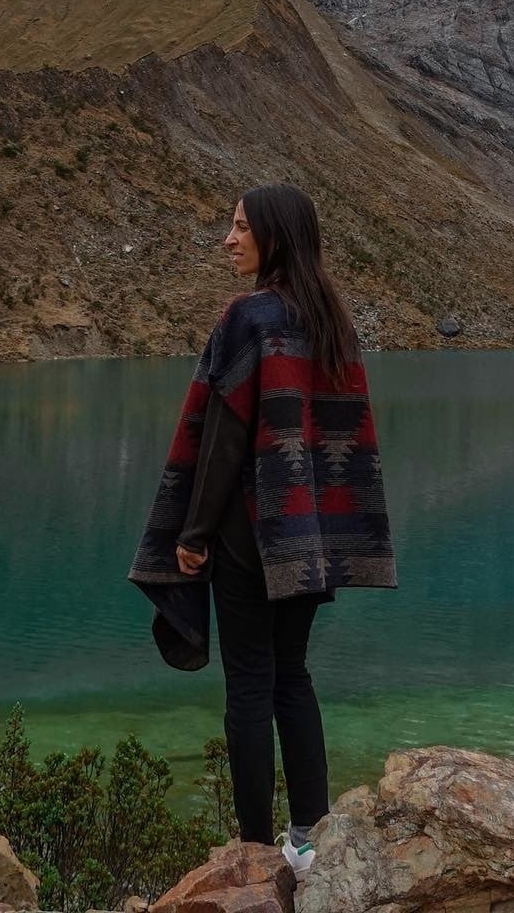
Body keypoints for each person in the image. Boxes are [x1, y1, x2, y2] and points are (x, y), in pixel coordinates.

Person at [127, 182, 397, 879]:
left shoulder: (250, 319)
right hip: (309, 537)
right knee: (292, 677)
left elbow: (224, 438)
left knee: (248, 685)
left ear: (274, 236)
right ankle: (308, 837)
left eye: (241, 226)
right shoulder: (329, 320)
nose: (228, 238)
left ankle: (252, 853)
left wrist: (193, 532)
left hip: (251, 533)